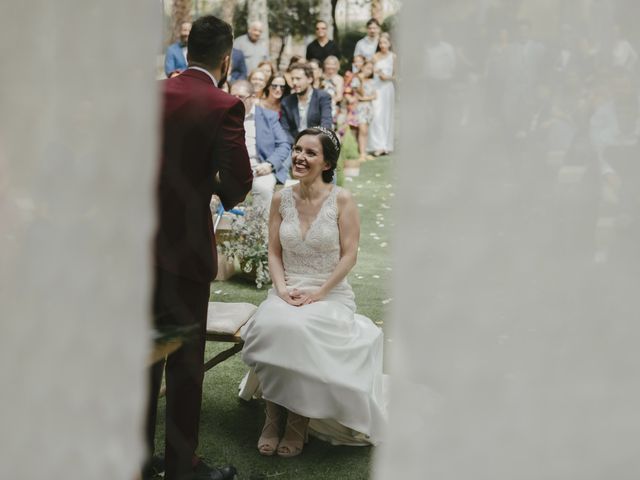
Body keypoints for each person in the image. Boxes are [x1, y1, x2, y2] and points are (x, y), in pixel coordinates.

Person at [148, 15, 253, 480]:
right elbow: (238, 184)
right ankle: (181, 465)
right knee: (184, 363)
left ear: (187, 51)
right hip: (185, 253)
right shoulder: (223, 105)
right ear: (226, 58)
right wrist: (203, 183)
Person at [239, 126, 387, 456]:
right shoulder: (281, 198)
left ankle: (297, 420)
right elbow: (274, 251)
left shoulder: (343, 200)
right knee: (272, 325)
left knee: (301, 329)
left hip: (329, 293)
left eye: (310, 153)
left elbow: (350, 255)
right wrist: (280, 289)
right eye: (297, 149)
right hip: (287, 288)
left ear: (327, 164)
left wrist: (319, 293)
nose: (299, 157)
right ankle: (272, 416)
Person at [230, 80, 291, 211]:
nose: (235, 100)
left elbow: (284, 145)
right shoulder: (225, 116)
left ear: (252, 97)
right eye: (232, 96)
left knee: (263, 188)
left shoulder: (268, 117)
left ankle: (260, 228)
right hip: (231, 170)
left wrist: (269, 164)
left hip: (260, 169)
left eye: (240, 97)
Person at [280, 63, 332, 143]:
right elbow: (284, 129)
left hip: (317, 143)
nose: (294, 82)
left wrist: (313, 143)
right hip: (293, 145)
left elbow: (326, 124)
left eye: (298, 79)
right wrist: (296, 145)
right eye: (292, 79)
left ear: (310, 79)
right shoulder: (286, 101)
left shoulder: (322, 97)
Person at [369, 32, 396, 155]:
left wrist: (388, 77)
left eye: (385, 42)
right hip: (377, 88)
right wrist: (376, 72)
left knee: (387, 116)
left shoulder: (393, 57)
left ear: (389, 43)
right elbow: (369, 72)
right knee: (376, 115)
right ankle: (377, 145)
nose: (382, 45)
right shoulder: (374, 57)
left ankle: (387, 145)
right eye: (380, 42)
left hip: (388, 88)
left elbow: (397, 75)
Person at [352, 60, 376, 161]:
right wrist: (361, 81)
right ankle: (361, 153)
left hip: (369, 108)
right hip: (360, 108)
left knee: (366, 131)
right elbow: (360, 94)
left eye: (371, 69)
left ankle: (364, 152)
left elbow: (375, 95)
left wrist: (366, 98)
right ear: (362, 68)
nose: (369, 71)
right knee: (362, 130)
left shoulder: (372, 81)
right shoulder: (356, 80)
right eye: (367, 68)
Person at [321, 55, 344, 123]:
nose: (330, 66)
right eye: (328, 64)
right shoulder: (320, 77)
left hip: (332, 106)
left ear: (337, 66)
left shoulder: (339, 79)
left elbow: (339, 97)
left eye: (333, 64)